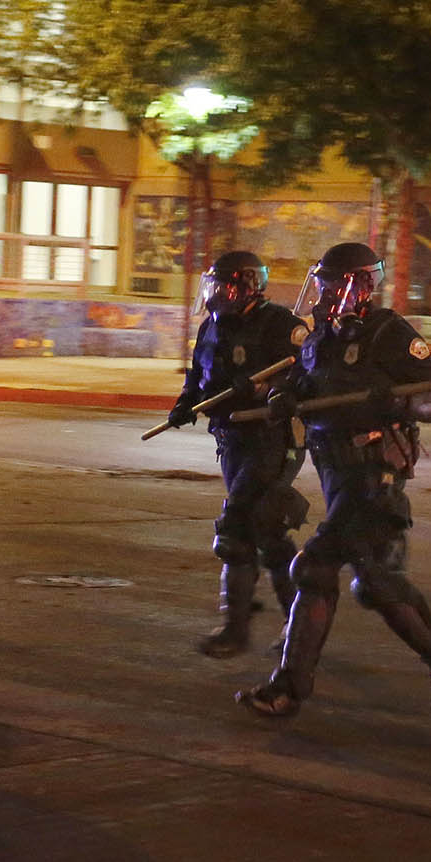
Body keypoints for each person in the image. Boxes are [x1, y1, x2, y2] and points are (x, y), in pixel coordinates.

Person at [238, 242, 431, 719]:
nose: (320, 295)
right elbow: (305, 385)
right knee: (376, 585)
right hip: (335, 474)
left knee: (314, 568)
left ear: (358, 286)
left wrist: (399, 404)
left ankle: (288, 690)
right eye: (320, 285)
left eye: (329, 286)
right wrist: (285, 395)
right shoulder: (323, 337)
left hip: (373, 477)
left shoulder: (388, 332)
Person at [167, 249, 312, 657]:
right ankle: (297, 621)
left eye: (223, 286)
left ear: (248, 285)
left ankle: (236, 628)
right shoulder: (212, 326)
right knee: (267, 533)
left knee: (235, 528)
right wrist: (185, 403)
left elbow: (307, 374)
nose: (215, 294)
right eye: (212, 285)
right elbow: (198, 374)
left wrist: (267, 389)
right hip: (231, 440)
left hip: (273, 440)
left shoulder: (281, 325)